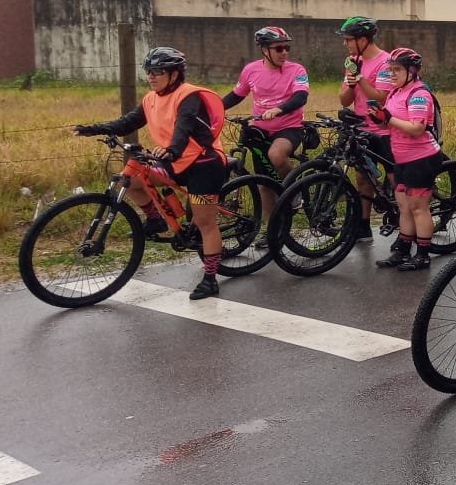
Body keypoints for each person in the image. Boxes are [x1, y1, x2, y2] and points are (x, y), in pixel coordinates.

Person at [74, 48, 230, 300]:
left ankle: (210, 279)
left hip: (204, 164)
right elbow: (128, 122)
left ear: (174, 74)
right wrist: (95, 129)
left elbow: (183, 127)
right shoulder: (151, 99)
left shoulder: (188, 96)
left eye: (158, 71)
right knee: (133, 180)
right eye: (148, 72)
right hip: (173, 162)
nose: (151, 76)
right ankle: (156, 220)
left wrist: (172, 150)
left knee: (205, 223)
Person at [222, 26, 309, 231]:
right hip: (260, 129)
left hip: (289, 126)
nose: (284, 53)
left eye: (287, 48)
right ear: (264, 50)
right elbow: (236, 95)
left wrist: (279, 109)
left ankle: (295, 189)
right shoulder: (251, 70)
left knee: (276, 155)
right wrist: (213, 107)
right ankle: (271, 231)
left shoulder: (297, 70)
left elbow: (301, 97)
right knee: (264, 184)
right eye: (278, 48)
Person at [368, 48, 445, 271]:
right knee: (404, 206)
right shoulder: (395, 92)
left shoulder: (419, 94)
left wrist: (388, 118)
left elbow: (417, 128)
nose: (391, 74)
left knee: (418, 208)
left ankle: (423, 254)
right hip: (401, 157)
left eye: (397, 70)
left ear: (411, 71)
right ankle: (403, 250)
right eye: (390, 69)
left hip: (422, 157)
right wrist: (379, 118)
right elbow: (390, 124)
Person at [336, 16, 396, 242]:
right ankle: (363, 225)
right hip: (361, 127)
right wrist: (351, 84)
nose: (345, 44)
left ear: (363, 40)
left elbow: (380, 97)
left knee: (395, 177)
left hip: (384, 129)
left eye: (348, 39)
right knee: (362, 177)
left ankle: (404, 222)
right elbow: (344, 100)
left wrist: (360, 79)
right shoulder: (352, 61)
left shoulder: (386, 62)